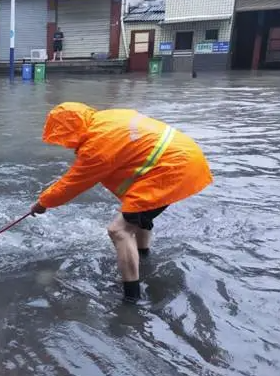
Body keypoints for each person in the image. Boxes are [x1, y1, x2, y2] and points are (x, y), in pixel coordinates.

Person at [30, 102, 213, 303]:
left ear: (69, 131)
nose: (66, 144)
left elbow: (72, 184)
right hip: (186, 158)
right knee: (137, 211)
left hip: (172, 169)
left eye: (63, 137)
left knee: (118, 230)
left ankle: (131, 298)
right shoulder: (111, 117)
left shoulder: (97, 145)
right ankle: (143, 258)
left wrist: (43, 203)